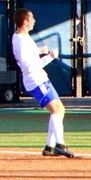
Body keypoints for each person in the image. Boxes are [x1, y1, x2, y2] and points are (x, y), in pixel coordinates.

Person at [11, 8, 75, 157]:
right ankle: (60, 145)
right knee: (57, 110)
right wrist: (50, 57)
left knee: (59, 109)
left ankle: (50, 147)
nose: (34, 21)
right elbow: (29, 66)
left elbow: (27, 55)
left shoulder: (20, 36)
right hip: (35, 79)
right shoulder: (21, 40)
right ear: (25, 22)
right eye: (32, 18)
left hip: (39, 78)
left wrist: (39, 50)